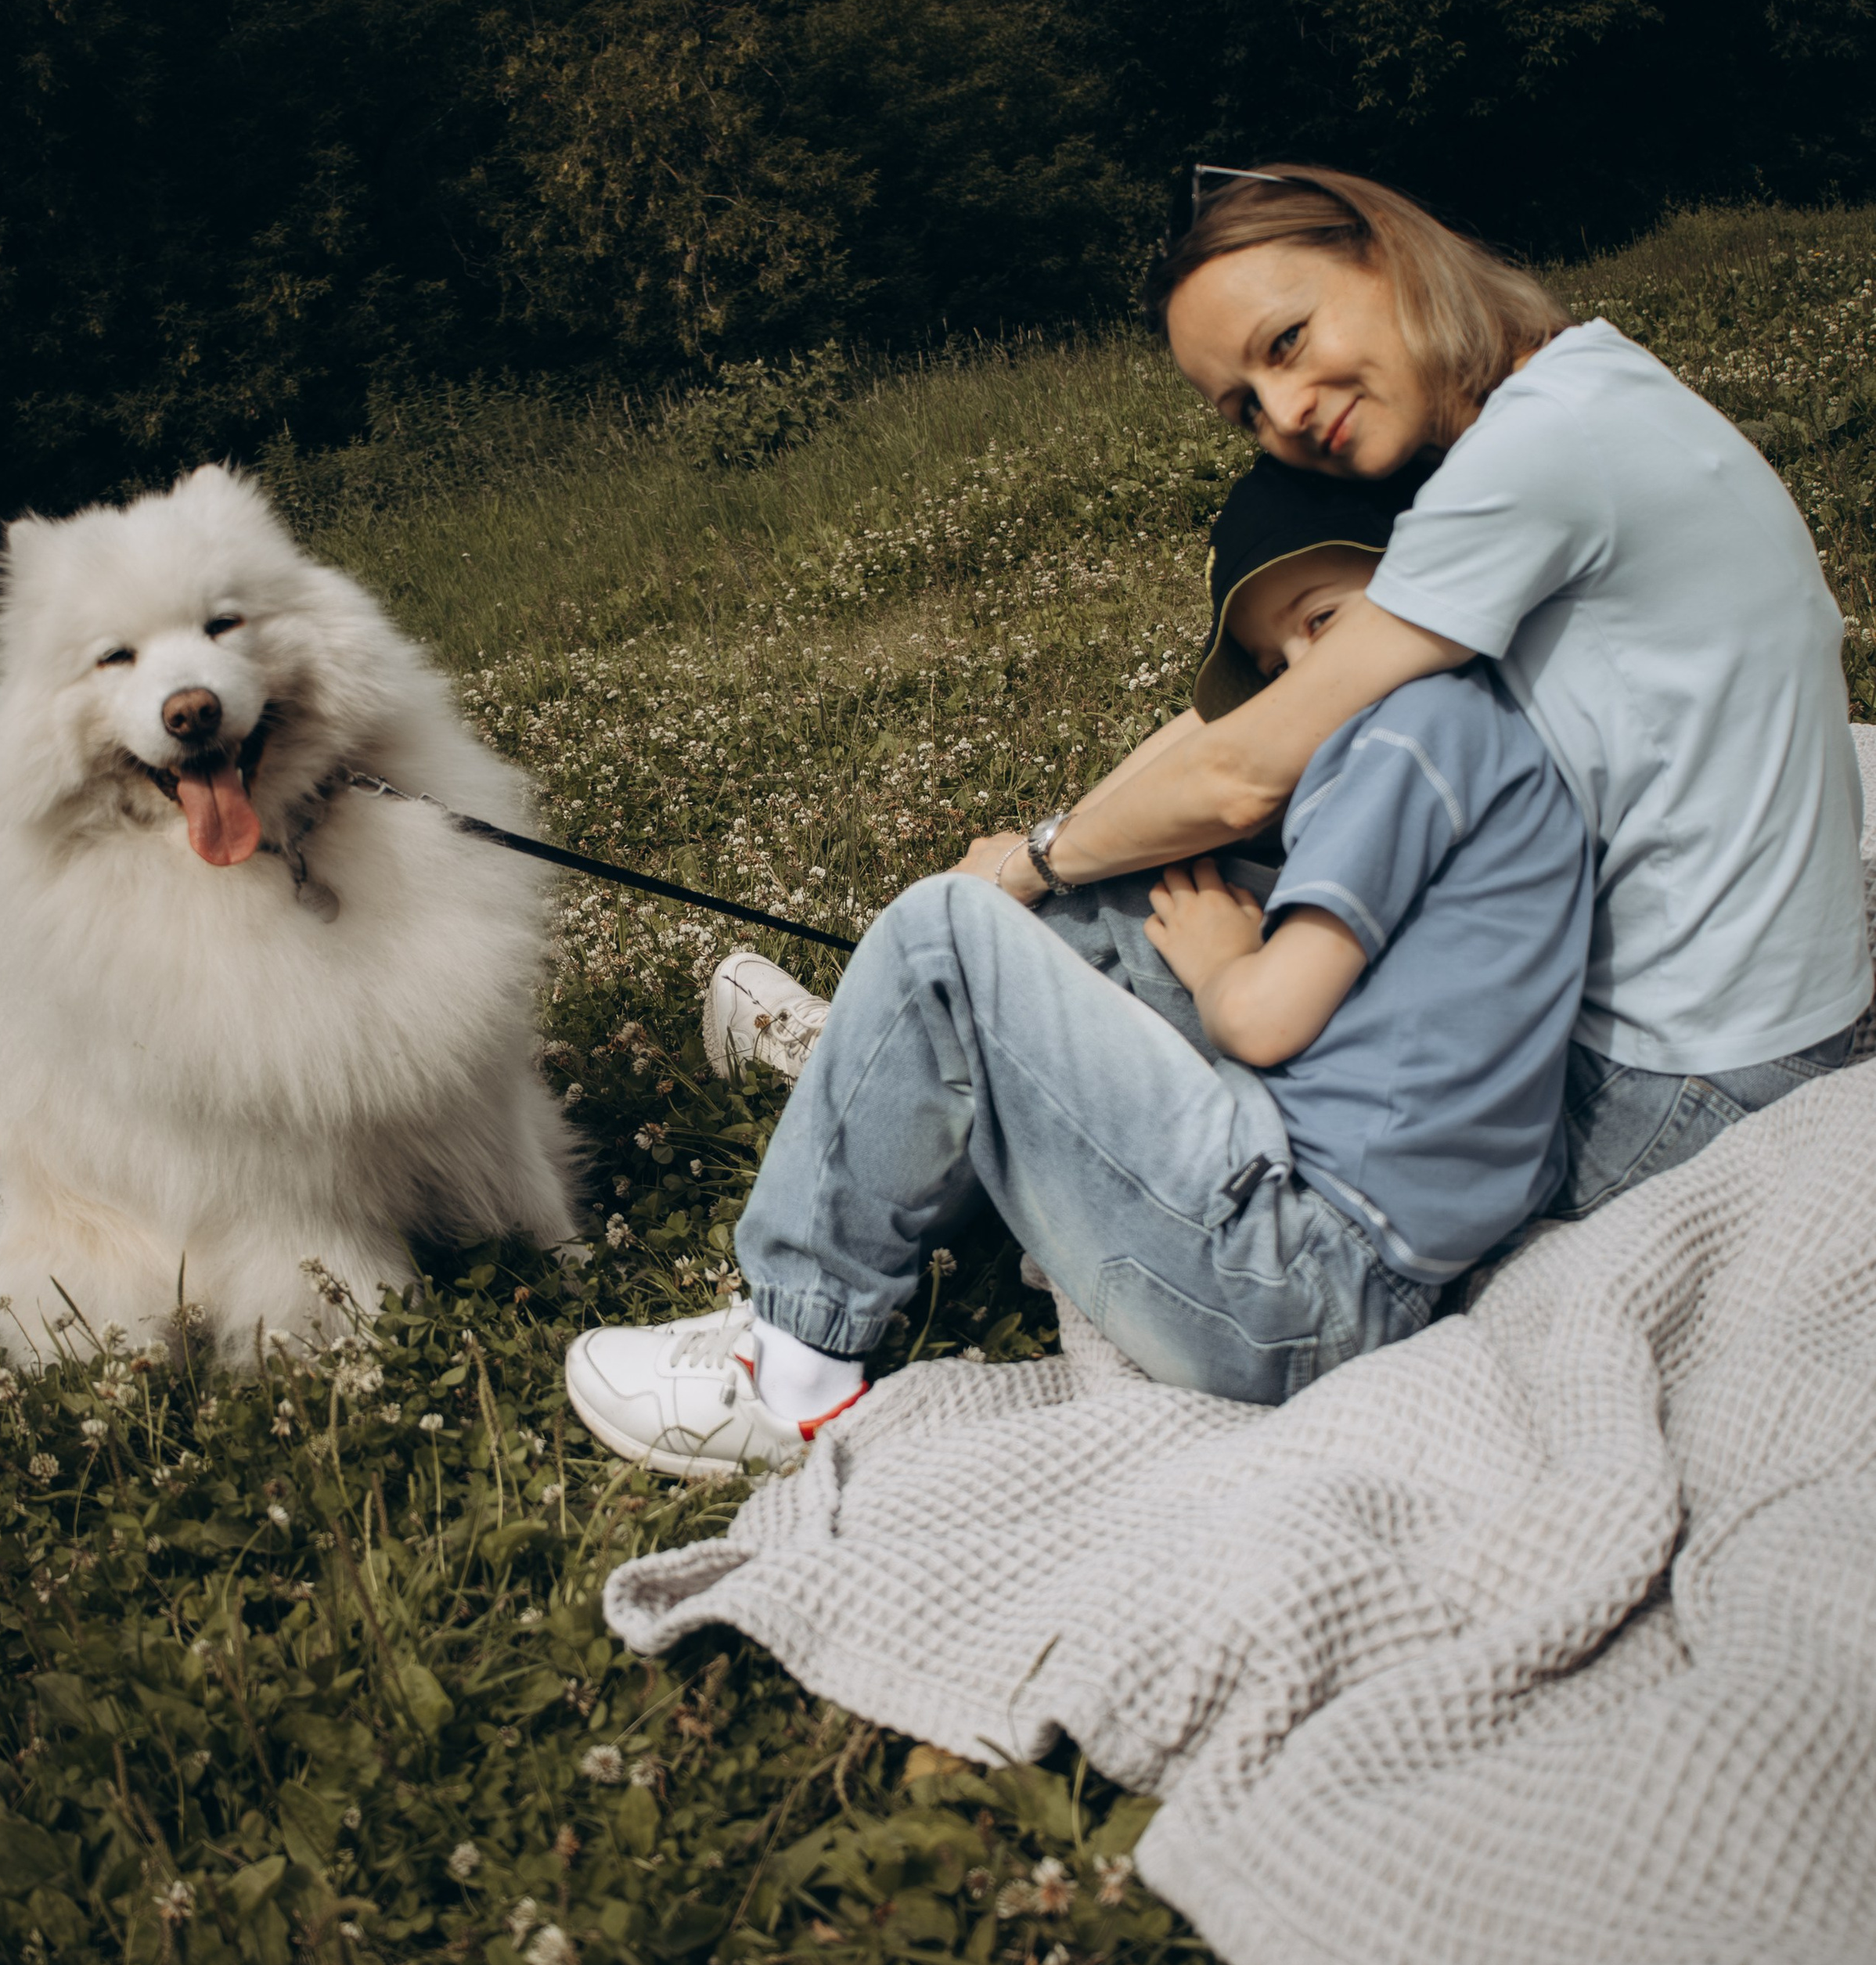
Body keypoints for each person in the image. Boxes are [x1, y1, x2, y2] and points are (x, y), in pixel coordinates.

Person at [715, 164, 1869, 1217]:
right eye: (1245, 407)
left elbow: (1240, 772)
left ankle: (866, 1109)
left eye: (1289, 338)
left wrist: (1031, 862)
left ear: (1389, 251)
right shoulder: (1583, 388)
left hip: (1681, 1087)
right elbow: (1242, 722)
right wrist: (1039, 853)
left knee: (1129, 924)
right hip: (1747, 1032)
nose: (1288, 412)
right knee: (1174, 898)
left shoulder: (1537, 457)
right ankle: (901, 1068)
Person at [563, 455, 1593, 1474]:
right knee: (1109, 904)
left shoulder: (1417, 738)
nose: (1303, 679)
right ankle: (880, 1097)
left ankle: (789, 1374)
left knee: (947, 934)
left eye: (1320, 622)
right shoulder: (1476, 727)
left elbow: (1267, 1018)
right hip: (1357, 1263)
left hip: (1301, 1293)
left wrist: (1229, 965)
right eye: (1278, 662)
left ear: (1416, 581)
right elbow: (1216, 750)